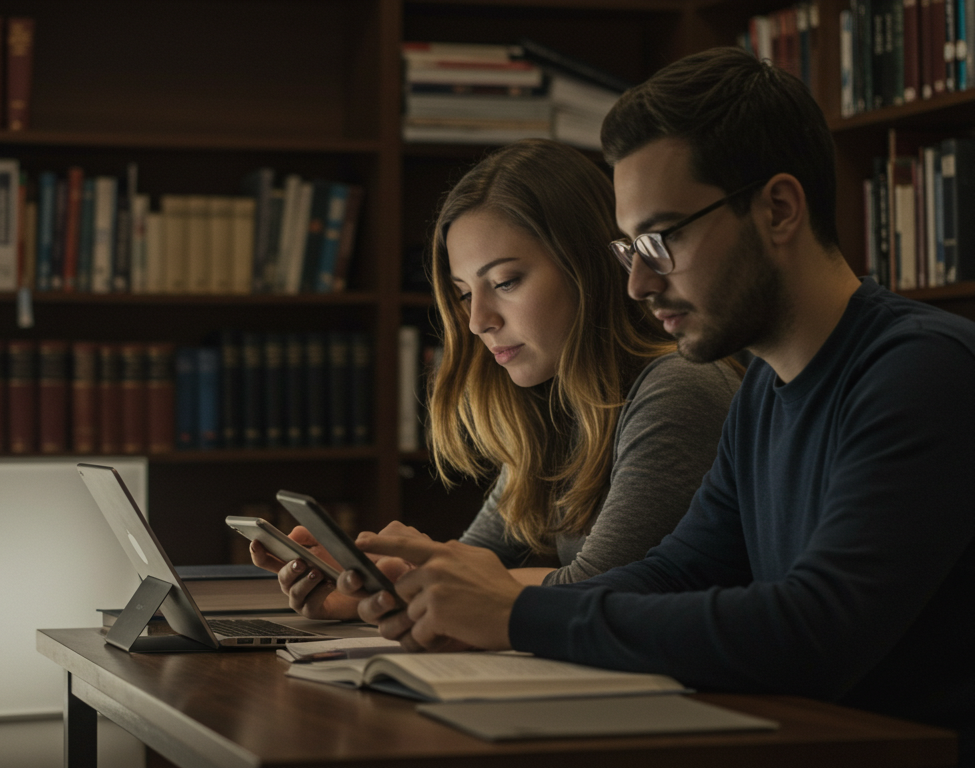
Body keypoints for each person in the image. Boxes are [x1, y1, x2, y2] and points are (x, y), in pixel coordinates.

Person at [350, 48, 975, 761]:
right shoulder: (765, 389)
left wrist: (518, 614)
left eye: (661, 239)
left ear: (778, 208)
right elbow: (673, 571)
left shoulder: (921, 370)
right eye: (628, 250)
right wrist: (476, 610)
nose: (640, 283)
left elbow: (816, 629)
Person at [251, 139, 742, 620]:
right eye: (465, 294)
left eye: (505, 282)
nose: (477, 320)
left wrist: (427, 578)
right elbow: (473, 569)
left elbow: (597, 591)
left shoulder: (678, 387)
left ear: (589, 267)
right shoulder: (554, 405)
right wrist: (373, 585)